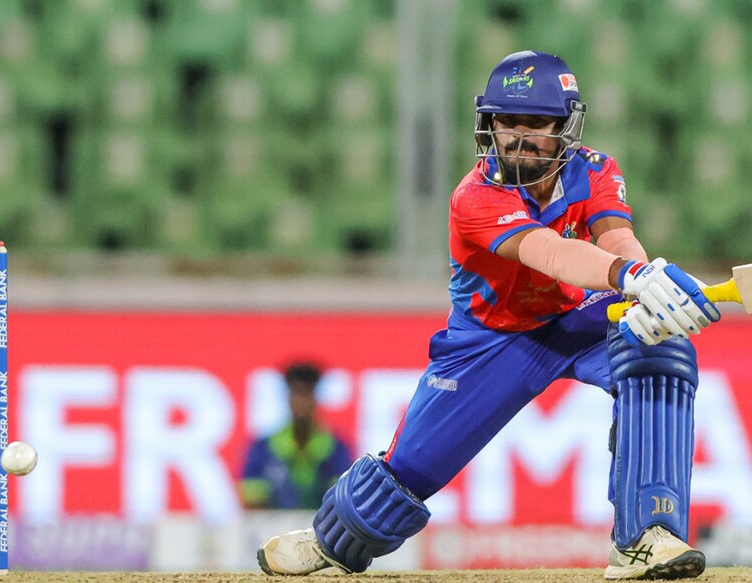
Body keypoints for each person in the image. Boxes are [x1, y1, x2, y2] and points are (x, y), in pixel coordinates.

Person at [257, 50, 720, 580]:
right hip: (490, 341)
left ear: (565, 125)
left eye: (537, 124)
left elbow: (615, 238)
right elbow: (549, 252)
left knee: (657, 341)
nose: (520, 137)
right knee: (406, 473)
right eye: (507, 122)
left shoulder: (595, 169)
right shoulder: (473, 196)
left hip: (577, 320)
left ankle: (644, 539)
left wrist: (648, 284)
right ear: (488, 124)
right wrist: (632, 277)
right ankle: (328, 543)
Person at [240, 363, 353, 510]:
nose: (301, 401)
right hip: (273, 529)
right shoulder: (263, 447)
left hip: (320, 529)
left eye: (306, 393)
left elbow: (341, 500)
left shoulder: (335, 448)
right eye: (296, 393)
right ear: (288, 398)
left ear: (315, 398)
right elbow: (252, 499)